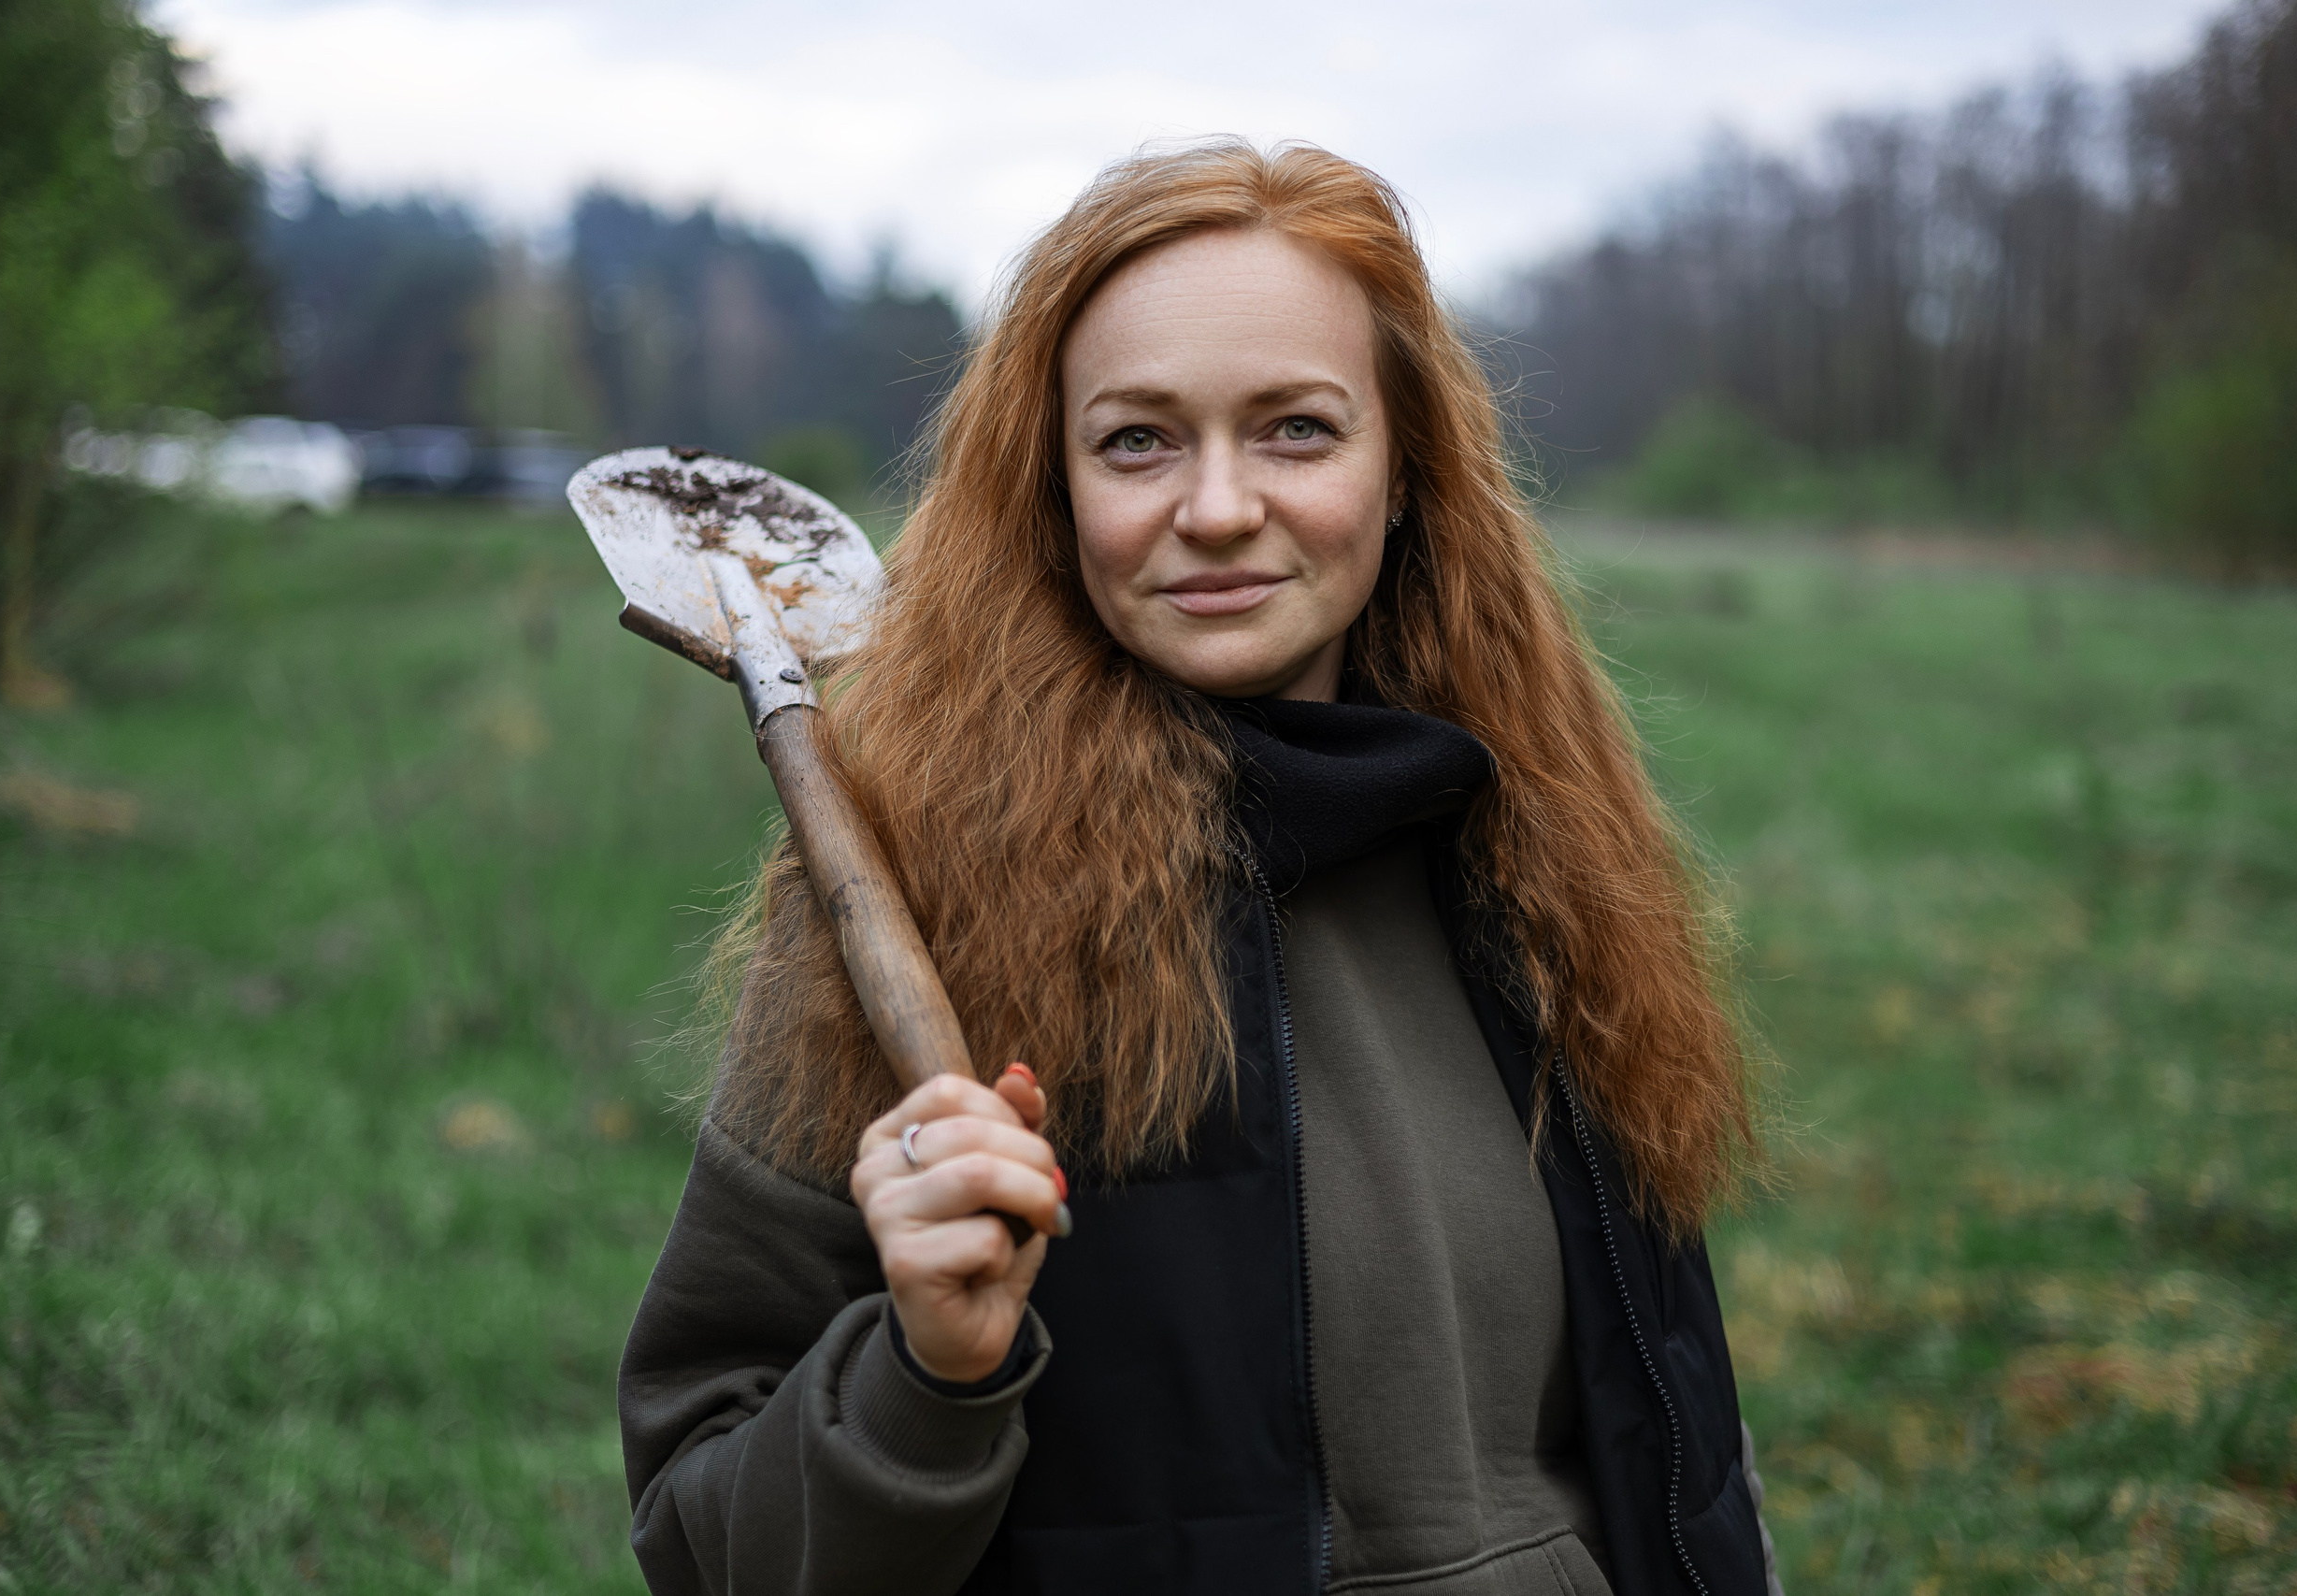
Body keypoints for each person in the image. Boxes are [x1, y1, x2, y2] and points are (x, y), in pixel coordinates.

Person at [619, 139, 1783, 1596]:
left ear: (1407, 470)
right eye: (1137, 441)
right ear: (1053, 490)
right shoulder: (902, 910)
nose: (1219, 507)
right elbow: (705, 1540)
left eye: (1296, 429)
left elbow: (1680, 1457)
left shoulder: (1546, 865)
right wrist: (928, 1369)